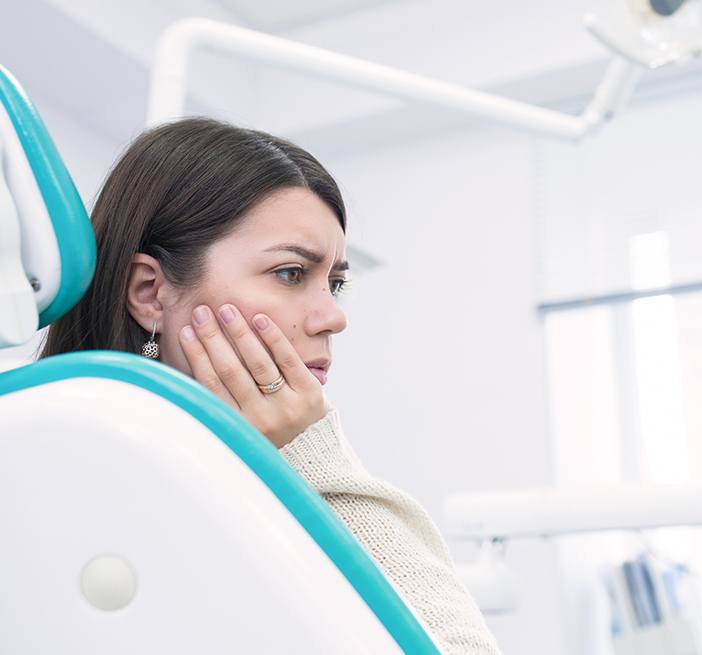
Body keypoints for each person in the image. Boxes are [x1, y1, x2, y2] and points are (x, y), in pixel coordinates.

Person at [38, 117, 502, 653]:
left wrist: (310, 455)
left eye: (336, 283)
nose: (333, 317)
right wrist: (312, 451)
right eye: (289, 273)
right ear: (149, 292)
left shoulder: (254, 492)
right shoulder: (59, 481)